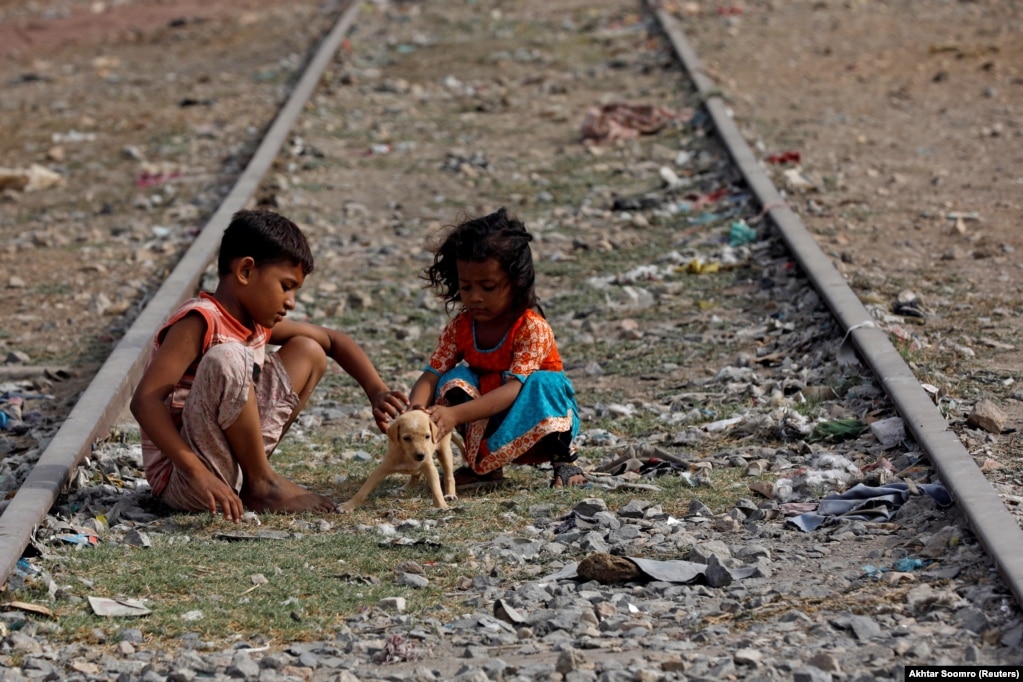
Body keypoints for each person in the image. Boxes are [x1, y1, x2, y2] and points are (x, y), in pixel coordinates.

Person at [130, 209, 408, 521]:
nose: (291, 301)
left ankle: (252, 478)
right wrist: (196, 472)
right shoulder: (200, 320)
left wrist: (377, 391)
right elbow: (144, 401)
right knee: (229, 356)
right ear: (246, 271)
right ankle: (262, 481)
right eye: (286, 286)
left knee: (309, 350)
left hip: (226, 467)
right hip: (186, 479)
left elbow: (332, 340)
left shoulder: (254, 322)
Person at [407, 207, 584, 489]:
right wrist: (416, 410)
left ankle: (565, 461)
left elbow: (515, 389)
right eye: (466, 287)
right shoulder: (461, 327)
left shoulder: (531, 327)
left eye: (488, 287)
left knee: (544, 383)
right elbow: (431, 374)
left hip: (534, 417)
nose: (475, 297)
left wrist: (453, 416)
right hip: (489, 412)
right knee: (453, 380)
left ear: (516, 283)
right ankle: (485, 468)